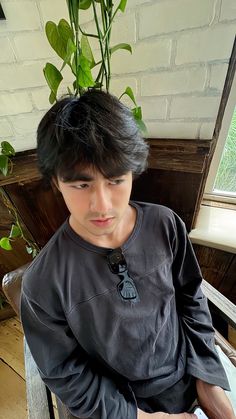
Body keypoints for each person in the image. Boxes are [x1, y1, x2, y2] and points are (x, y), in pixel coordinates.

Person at [20, 90, 235, 419]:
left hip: (189, 374)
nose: (102, 205)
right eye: (81, 185)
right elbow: (64, 372)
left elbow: (191, 298)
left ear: (133, 173)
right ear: (55, 181)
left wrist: (208, 379)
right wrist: (141, 418)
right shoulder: (44, 283)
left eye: (116, 180)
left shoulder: (166, 226)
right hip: (118, 404)